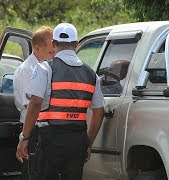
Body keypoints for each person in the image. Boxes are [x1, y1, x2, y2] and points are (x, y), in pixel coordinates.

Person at [16, 22, 105, 180]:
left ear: (53, 43)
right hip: (77, 140)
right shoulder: (92, 75)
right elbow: (99, 111)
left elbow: (35, 103)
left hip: (49, 139)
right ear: (76, 45)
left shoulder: (45, 68)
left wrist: (25, 137)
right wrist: (88, 143)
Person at [13, 25, 55, 180]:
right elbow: (30, 105)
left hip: (44, 129)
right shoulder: (27, 70)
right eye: (51, 52)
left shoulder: (47, 68)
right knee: (33, 172)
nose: (53, 56)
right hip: (32, 129)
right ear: (37, 48)